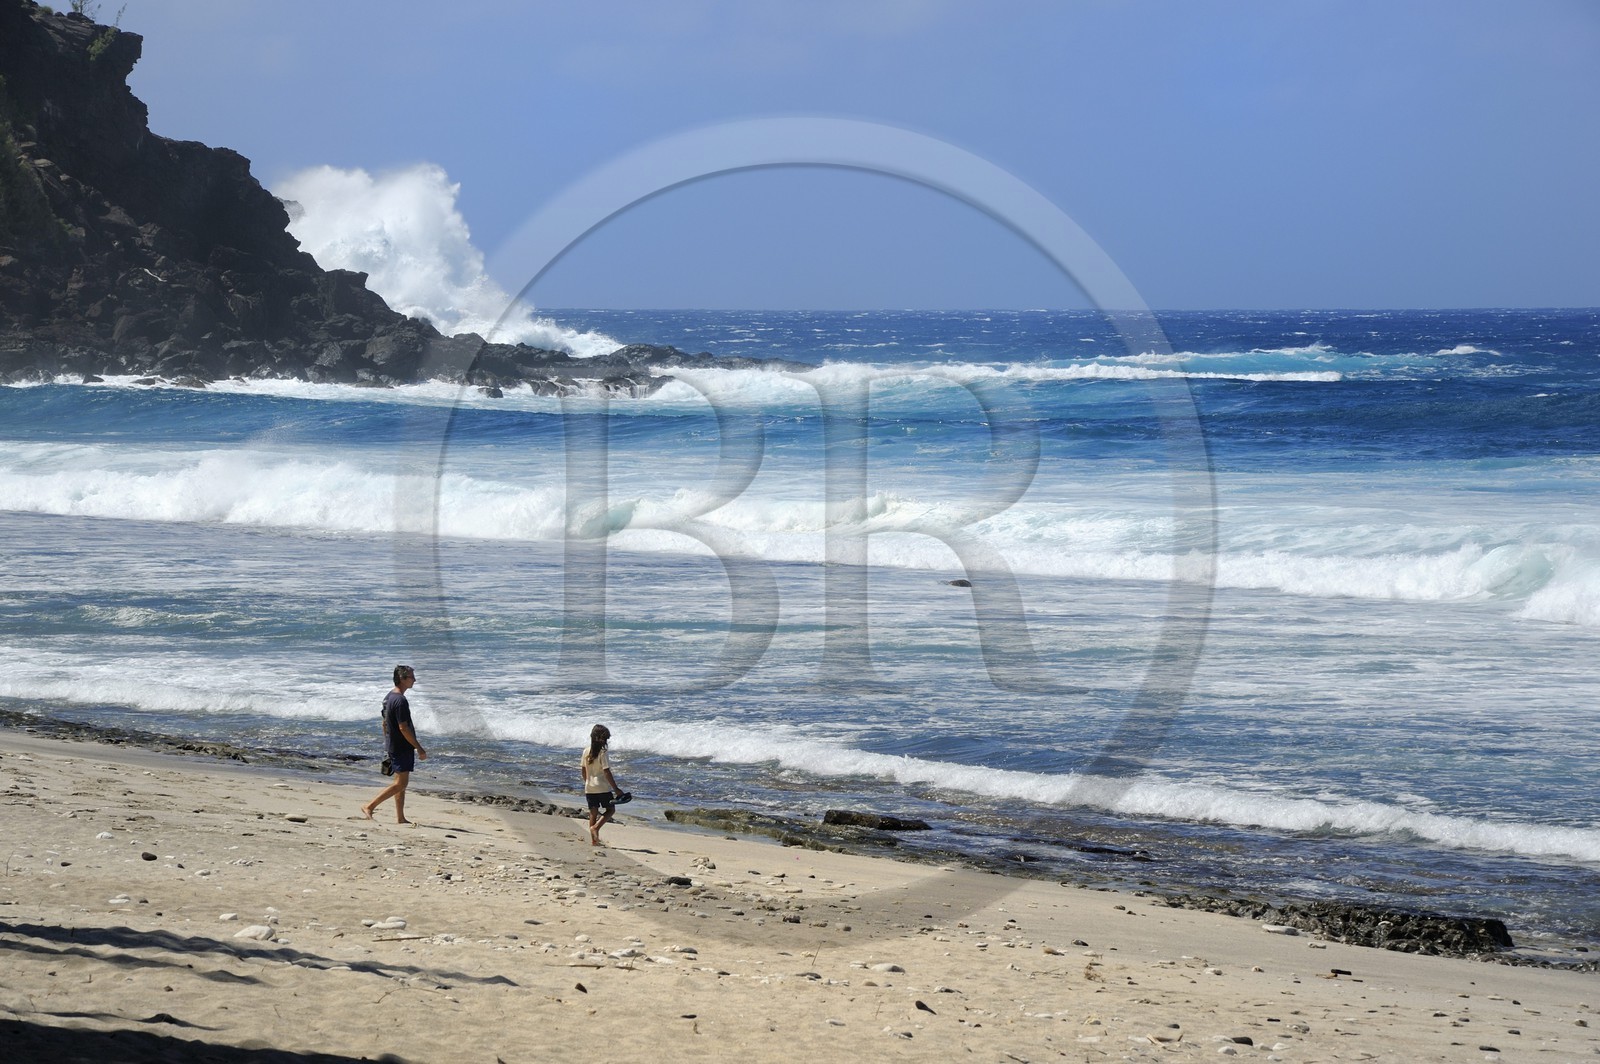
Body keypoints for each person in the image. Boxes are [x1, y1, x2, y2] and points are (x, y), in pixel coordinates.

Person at [362, 664, 427, 824]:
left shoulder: (389, 697)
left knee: (400, 783)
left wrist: (387, 742)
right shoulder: (400, 700)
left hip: (394, 744)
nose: (414, 680)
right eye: (411, 677)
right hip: (400, 746)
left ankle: (400, 817)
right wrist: (419, 748)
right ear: (402, 679)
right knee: (401, 783)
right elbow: (403, 728)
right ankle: (369, 806)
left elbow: (384, 723)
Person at [580, 724, 624, 846]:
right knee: (611, 810)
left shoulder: (586, 751)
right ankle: (596, 828)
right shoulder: (603, 752)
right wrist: (616, 789)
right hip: (602, 787)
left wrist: (587, 782)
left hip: (589, 787)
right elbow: (606, 771)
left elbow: (583, 770)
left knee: (593, 813)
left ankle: (594, 841)